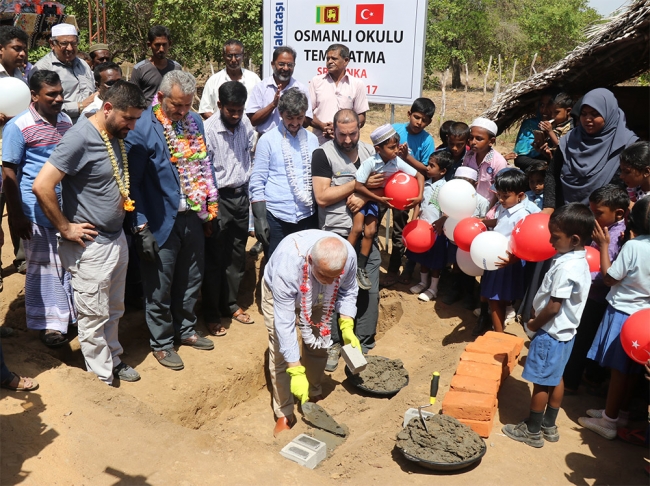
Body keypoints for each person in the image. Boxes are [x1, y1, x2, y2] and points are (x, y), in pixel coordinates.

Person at [33, 80, 147, 385]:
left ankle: (114, 358)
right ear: (108, 108)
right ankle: (100, 381)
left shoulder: (115, 133)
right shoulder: (79, 137)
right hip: (90, 246)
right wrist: (65, 227)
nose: (132, 126)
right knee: (92, 315)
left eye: (137, 118)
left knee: (113, 308)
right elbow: (42, 185)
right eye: (128, 118)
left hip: (116, 238)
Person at [127, 70, 217, 371]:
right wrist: (141, 226)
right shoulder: (142, 127)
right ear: (161, 97)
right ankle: (162, 343)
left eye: (187, 106)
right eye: (176, 106)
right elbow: (133, 184)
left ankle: (187, 329)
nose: (181, 112)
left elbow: (205, 167)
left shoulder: (196, 123)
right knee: (159, 285)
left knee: (191, 278)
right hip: (159, 220)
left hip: (192, 214)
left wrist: (208, 209)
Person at [502, 203, 594, 448]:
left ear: (574, 239)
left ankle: (532, 430)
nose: (551, 242)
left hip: (550, 333)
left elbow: (554, 306)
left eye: (555, 238)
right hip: (566, 334)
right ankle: (549, 425)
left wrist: (533, 323)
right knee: (555, 377)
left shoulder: (566, 268)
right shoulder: (578, 260)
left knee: (541, 382)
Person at [2, 70, 75, 348]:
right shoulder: (18, 126)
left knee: (64, 265)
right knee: (43, 268)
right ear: (34, 96)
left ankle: (66, 317)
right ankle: (48, 327)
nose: (58, 99)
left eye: (60, 93)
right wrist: (17, 215)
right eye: (51, 95)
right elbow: (9, 173)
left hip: (63, 208)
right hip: (33, 210)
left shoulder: (67, 121)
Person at [262, 230, 359, 436]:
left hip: (321, 298)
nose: (327, 280)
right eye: (323, 274)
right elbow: (284, 323)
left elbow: (349, 290)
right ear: (310, 260)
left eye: (334, 276)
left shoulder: (348, 255)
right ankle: (284, 412)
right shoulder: (287, 264)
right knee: (280, 354)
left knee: (320, 340)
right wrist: (296, 370)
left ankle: (313, 389)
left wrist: (346, 324)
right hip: (280, 296)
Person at [311, 109, 385, 371]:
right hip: (335, 236)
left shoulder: (370, 153)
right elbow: (322, 196)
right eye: (342, 134)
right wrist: (355, 185)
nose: (347, 139)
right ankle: (332, 343)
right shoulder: (323, 154)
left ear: (360, 128)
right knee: (332, 290)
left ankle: (362, 344)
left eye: (352, 133)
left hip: (367, 233)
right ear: (333, 130)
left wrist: (365, 197)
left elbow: (385, 188)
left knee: (368, 288)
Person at [579, 197, 650, 439]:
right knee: (631, 370)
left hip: (623, 313)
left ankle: (608, 421)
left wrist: (603, 245)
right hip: (643, 317)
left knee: (618, 370)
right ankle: (621, 413)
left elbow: (610, 277)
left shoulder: (633, 246)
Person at [202, 81, 256, 335]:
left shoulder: (245, 124)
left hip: (241, 198)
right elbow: (202, 173)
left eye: (240, 110)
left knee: (236, 256)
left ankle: (230, 304)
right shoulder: (208, 130)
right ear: (219, 105)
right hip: (217, 199)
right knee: (215, 258)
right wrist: (208, 211)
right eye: (230, 110)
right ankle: (211, 313)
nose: (235, 115)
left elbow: (250, 156)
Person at [563, 185, 629, 393]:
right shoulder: (604, 228)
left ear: (618, 213)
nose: (593, 216)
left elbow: (606, 273)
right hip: (588, 293)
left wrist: (580, 279)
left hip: (596, 298)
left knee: (582, 340)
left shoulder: (616, 237)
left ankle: (570, 382)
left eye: (598, 213)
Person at [351, 124, 424, 289]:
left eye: (397, 146)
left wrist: (418, 196)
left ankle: (361, 267)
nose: (396, 150)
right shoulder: (370, 163)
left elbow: (419, 175)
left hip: (386, 199)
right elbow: (358, 186)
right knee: (357, 230)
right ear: (378, 149)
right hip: (370, 199)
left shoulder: (396, 161)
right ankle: (347, 263)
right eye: (392, 147)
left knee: (373, 232)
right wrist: (377, 198)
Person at [249, 88, 319, 258]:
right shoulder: (267, 140)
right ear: (280, 114)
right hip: (276, 216)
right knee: (276, 266)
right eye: (290, 118)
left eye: (300, 118)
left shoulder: (312, 140)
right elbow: (257, 181)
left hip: (307, 215)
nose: (295, 123)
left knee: (303, 267)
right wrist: (259, 219)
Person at [544, 88, 638, 209]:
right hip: (568, 214)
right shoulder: (570, 140)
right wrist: (549, 207)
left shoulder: (628, 144)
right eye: (584, 114)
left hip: (610, 219)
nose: (588, 119)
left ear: (609, 113)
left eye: (595, 114)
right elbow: (552, 173)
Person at [475, 169, 540, 336]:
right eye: (499, 195)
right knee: (497, 298)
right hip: (496, 259)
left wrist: (513, 259)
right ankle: (497, 330)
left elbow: (525, 242)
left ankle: (498, 335)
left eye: (505, 196)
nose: (501, 199)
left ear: (519, 195)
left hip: (505, 262)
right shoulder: (504, 208)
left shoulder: (522, 215)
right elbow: (500, 221)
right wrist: (483, 221)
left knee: (494, 299)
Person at [381, 98, 435, 287]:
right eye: (417, 117)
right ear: (409, 114)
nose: (419, 122)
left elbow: (427, 170)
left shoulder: (427, 141)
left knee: (399, 230)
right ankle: (368, 265)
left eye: (424, 120)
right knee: (370, 223)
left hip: (406, 191)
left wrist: (407, 157)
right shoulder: (394, 129)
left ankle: (393, 269)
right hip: (383, 185)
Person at [0, 26, 29, 285]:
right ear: (1, 49)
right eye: (16, 48)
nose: (22, 53)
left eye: (24, 49)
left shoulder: (23, 78)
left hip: (17, 157)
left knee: (19, 207)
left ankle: (23, 260)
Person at [407, 151, 455, 301]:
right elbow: (418, 204)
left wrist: (442, 221)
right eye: (428, 164)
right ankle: (422, 282)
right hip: (422, 229)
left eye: (432, 166)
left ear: (443, 171)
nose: (427, 168)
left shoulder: (447, 189)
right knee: (423, 258)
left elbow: (451, 210)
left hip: (437, 232)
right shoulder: (425, 184)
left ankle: (433, 288)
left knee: (435, 262)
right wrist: (414, 220)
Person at [30, 23, 96, 124]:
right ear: (52, 44)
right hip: (61, 127)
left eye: (74, 43)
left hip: (90, 125)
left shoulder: (83, 65)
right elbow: (41, 105)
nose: (70, 48)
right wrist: (79, 106)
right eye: (64, 43)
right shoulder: (43, 68)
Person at [309, 43, 369, 145]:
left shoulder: (357, 84)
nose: (329, 62)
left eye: (334, 59)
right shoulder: (316, 81)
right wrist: (322, 126)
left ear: (345, 61)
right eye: (328, 59)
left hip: (346, 144)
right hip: (320, 143)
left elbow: (361, 117)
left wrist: (342, 129)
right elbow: (307, 114)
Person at [247, 46, 312, 136]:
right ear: (273, 64)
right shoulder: (261, 87)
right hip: (266, 140)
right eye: (281, 64)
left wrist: (293, 108)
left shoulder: (301, 89)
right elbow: (253, 121)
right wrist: (273, 105)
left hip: (294, 141)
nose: (285, 68)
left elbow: (306, 123)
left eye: (290, 65)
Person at [198, 39, 261, 120]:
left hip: (249, 131)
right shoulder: (214, 81)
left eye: (237, 55)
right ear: (223, 56)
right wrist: (222, 124)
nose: (233, 60)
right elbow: (205, 110)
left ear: (243, 55)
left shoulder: (254, 79)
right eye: (230, 56)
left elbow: (261, 108)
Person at [130, 26, 181, 105]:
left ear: (169, 44)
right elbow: (133, 98)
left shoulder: (176, 68)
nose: (161, 49)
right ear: (149, 45)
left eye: (164, 45)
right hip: (146, 115)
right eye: (157, 45)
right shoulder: (140, 69)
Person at [462, 117, 507, 207]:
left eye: (479, 139)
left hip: (487, 206)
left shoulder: (498, 162)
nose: (473, 142)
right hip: (468, 203)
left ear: (491, 141)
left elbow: (498, 190)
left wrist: (489, 210)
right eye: (471, 138)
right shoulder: (469, 156)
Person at [505, 90, 555, 171]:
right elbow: (519, 159)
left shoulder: (563, 127)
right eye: (542, 105)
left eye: (549, 106)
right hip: (531, 170)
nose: (544, 110)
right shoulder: (529, 125)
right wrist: (543, 164)